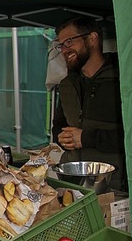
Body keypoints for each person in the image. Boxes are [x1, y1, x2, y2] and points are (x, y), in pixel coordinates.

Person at [52, 17, 127, 191]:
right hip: (72, 181)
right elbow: (58, 126)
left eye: (69, 41)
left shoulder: (122, 80)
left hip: (113, 183)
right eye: (61, 45)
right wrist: (63, 138)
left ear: (92, 38)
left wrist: (85, 138)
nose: (64, 49)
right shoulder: (66, 84)